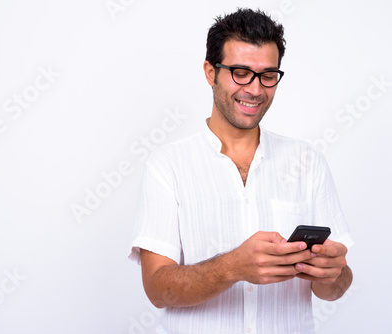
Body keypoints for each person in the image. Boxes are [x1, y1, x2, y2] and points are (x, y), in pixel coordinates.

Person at [128, 7, 354, 334]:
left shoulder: (308, 161)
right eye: (240, 72)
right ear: (210, 72)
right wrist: (232, 267)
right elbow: (158, 289)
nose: (255, 89)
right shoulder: (168, 166)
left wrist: (333, 273)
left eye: (268, 75)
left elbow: (336, 287)